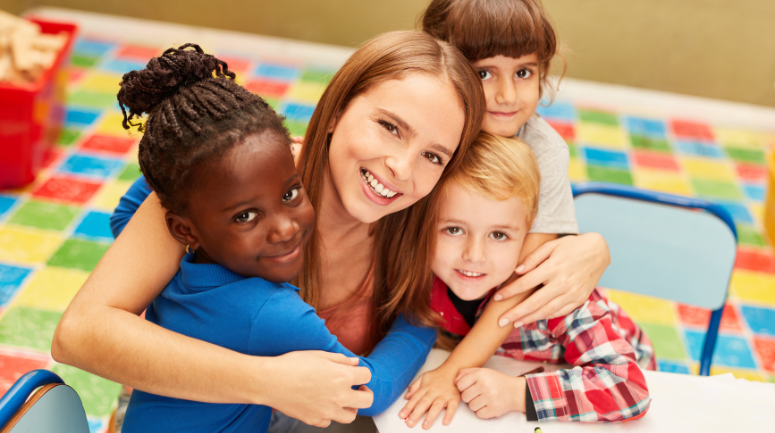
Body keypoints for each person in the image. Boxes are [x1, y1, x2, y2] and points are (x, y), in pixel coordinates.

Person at [52, 26, 606, 431]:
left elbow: (516, 210)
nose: (402, 168)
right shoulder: (235, 180)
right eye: (390, 127)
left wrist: (592, 247)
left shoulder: (420, 223)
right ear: (337, 109)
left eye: (434, 155)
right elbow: (78, 334)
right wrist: (265, 381)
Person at [112, 43, 446, 433]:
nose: (285, 228)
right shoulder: (273, 311)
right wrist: (420, 322)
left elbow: (125, 214)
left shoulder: (181, 281)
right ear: (183, 229)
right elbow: (367, 387)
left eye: (290, 194)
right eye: (245, 215)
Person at [400, 133, 654, 427]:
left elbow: (629, 388)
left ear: (530, 235)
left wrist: (517, 394)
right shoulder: (421, 277)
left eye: (499, 235)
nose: (474, 255)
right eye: (454, 230)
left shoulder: (556, 296)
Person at [421, 0, 610, 328]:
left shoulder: (545, 151)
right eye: (484, 73)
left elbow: (516, 290)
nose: (507, 95)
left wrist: (451, 372)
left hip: (513, 334)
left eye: (523, 72)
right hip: (438, 322)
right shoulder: (424, 133)